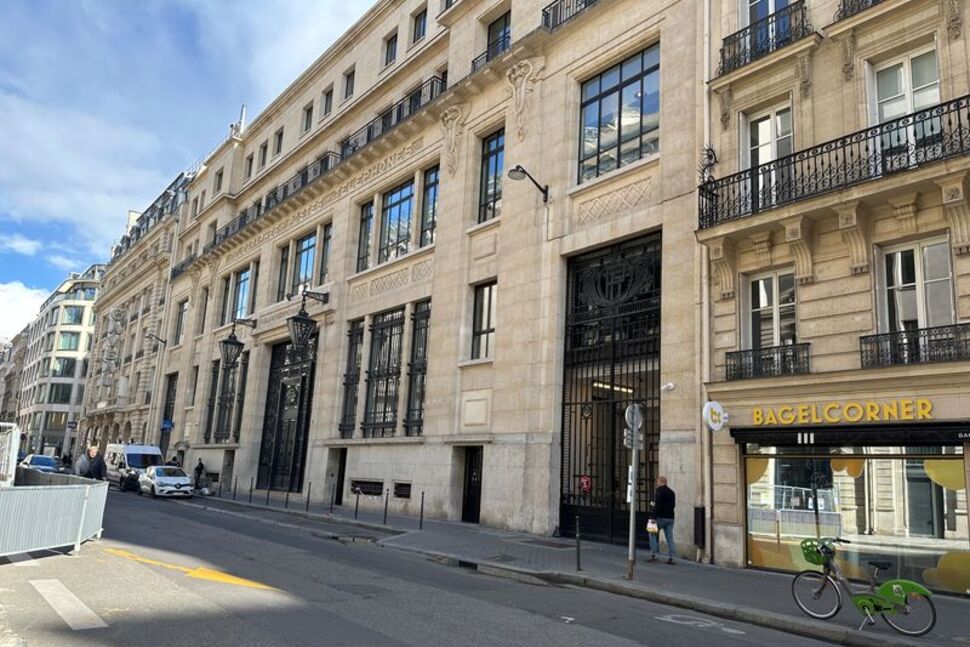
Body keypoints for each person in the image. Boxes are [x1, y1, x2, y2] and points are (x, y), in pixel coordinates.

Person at [648, 475, 676, 564]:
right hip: (670, 517)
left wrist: (653, 517)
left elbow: (657, 505)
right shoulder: (672, 492)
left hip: (660, 517)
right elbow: (673, 505)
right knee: (669, 537)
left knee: (652, 534)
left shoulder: (659, 491)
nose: (657, 483)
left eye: (657, 481)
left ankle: (654, 555)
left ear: (661, 482)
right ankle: (672, 557)